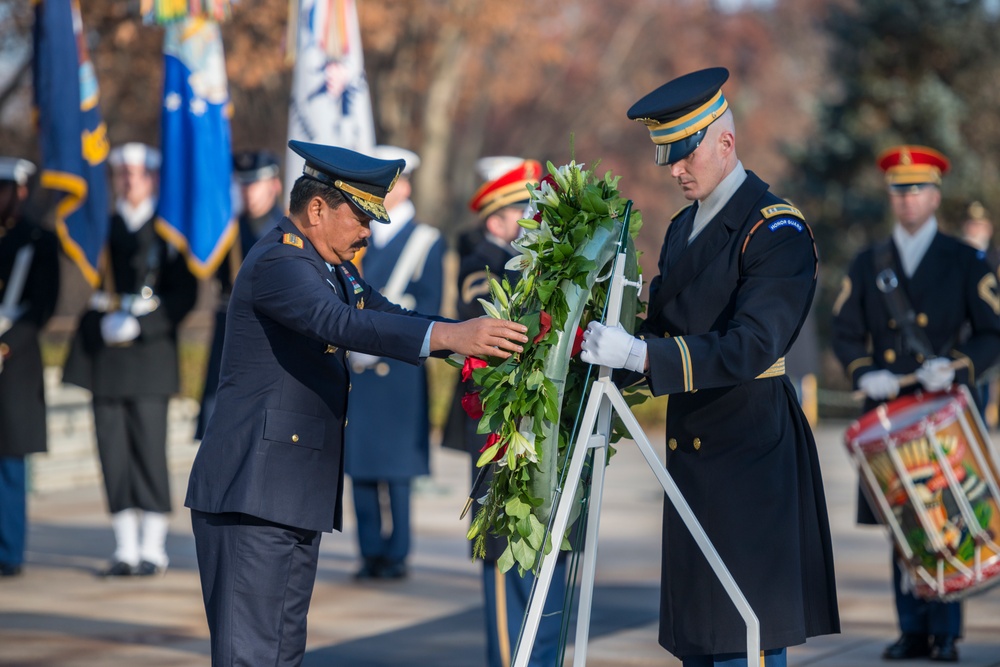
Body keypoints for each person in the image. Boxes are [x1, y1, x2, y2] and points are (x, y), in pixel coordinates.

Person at [184, 140, 529, 667]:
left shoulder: (332, 266)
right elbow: (341, 324)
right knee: (250, 655)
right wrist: (452, 337)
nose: (368, 232)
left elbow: (383, 310)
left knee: (279, 653)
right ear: (317, 209)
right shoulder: (281, 259)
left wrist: (466, 341)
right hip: (251, 496)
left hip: (287, 493)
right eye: (361, 217)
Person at [579, 67, 840, 666]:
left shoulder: (776, 228)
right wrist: (602, 340)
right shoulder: (682, 227)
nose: (675, 169)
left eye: (686, 153)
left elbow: (753, 344)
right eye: (668, 157)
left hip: (750, 452)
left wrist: (641, 354)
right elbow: (667, 328)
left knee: (742, 639)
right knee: (699, 638)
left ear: (725, 141)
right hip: (693, 457)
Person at [831, 145, 1000, 662]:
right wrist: (866, 373)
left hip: (941, 409)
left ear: (935, 194)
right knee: (903, 518)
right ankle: (911, 629)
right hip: (890, 410)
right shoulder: (868, 263)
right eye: (900, 191)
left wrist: (957, 367)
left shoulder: (965, 260)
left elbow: (993, 333)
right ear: (891, 197)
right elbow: (844, 330)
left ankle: (946, 630)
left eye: (918, 190)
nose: (908, 200)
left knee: (947, 513)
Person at [441, 156, 569, 667]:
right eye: (526, 210)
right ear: (498, 219)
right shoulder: (482, 266)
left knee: (549, 545)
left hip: (539, 423)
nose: (536, 219)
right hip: (501, 426)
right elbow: (487, 332)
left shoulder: (532, 260)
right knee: (507, 551)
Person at [62, 142, 198, 577]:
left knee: (148, 452)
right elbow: (83, 284)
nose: (128, 181)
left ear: (153, 179)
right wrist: (96, 322)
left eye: (136, 174)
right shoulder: (102, 226)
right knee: (113, 453)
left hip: (150, 357)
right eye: (122, 173)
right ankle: (125, 546)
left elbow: (185, 293)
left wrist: (147, 324)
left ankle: (153, 548)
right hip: (108, 358)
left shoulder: (168, 229)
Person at [343, 145, 445, 580]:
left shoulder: (426, 240)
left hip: (397, 368)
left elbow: (428, 305)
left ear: (405, 186)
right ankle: (369, 553)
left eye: (392, 185)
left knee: (398, 469)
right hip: (357, 365)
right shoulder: (357, 234)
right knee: (361, 466)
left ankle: (398, 552)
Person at [196, 149, 284, 439]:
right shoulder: (225, 231)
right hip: (230, 335)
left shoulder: (289, 232)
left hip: (276, 339)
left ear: (275, 185)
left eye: (255, 183)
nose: (248, 192)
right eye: (243, 183)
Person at [0, 158, 59, 578]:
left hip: (13, 362)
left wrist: (5, 344)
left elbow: (42, 306)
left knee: (9, 462)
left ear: (20, 191)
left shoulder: (37, 238)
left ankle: (9, 551)